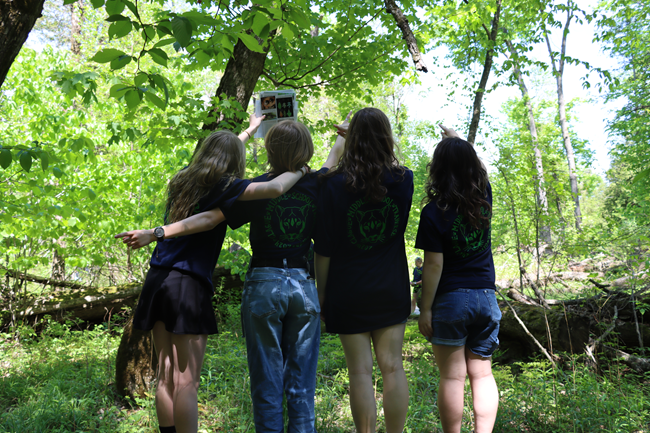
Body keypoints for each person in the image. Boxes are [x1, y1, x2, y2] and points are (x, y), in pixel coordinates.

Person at [137, 117, 347, 432]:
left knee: (259, 381)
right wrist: (340, 139)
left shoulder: (219, 185)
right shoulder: (312, 183)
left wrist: (158, 232)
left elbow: (210, 212)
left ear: (269, 151)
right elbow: (328, 162)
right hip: (299, 286)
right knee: (299, 385)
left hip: (243, 283)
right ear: (306, 150)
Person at [314, 108, 413, 433]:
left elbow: (324, 248)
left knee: (360, 373)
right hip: (391, 287)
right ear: (387, 138)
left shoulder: (332, 185)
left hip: (347, 290)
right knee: (393, 367)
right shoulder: (404, 180)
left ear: (351, 140)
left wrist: (321, 295)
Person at [416, 125, 501, 433]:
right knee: (482, 375)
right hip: (486, 299)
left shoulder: (433, 212)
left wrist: (425, 309)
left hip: (451, 301)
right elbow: (480, 166)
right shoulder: (484, 199)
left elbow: (434, 265)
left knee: (453, 377)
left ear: (437, 170)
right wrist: (457, 139)